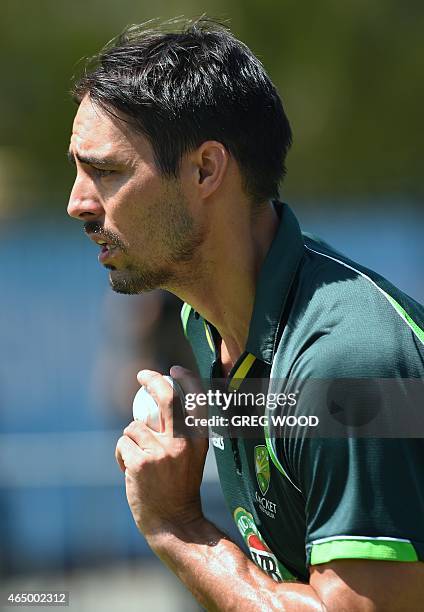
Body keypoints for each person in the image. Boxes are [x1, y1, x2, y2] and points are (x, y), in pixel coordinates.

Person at [67, 18, 424, 610]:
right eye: (78, 169)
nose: (77, 202)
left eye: (107, 171)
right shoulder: (203, 324)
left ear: (206, 170)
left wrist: (178, 529)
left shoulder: (349, 358)